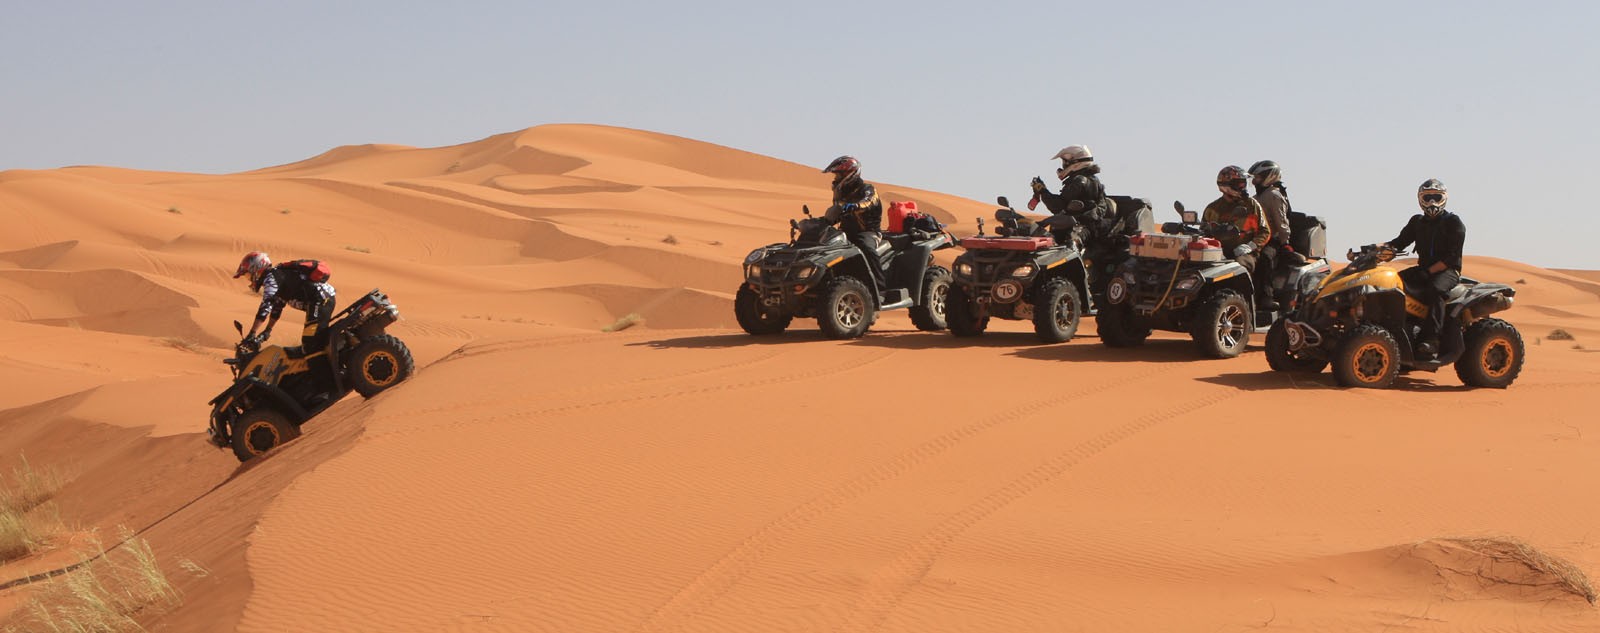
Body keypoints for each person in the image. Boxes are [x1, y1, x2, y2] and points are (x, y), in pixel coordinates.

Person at [234, 251, 338, 403]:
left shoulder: (271, 278)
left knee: (310, 343)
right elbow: (277, 308)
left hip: (320, 301)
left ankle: (327, 389)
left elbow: (266, 305)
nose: (249, 279)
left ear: (257, 269)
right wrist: (266, 332)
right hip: (320, 301)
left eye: (249, 275)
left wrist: (252, 333)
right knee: (313, 342)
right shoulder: (279, 276)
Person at [1383, 179, 1466, 358]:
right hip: (1423, 269)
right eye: (1427, 197)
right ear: (1420, 199)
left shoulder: (1453, 222)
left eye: (1436, 197)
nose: (1431, 202)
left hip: (1447, 271)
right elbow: (1399, 243)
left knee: (1435, 290)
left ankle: (1432, 339)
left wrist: (1428, 272)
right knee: (1393, 282)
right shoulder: (1417, 222)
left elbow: (1452, 257)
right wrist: (1374, 249)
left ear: (1444, 198)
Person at [1030, 145, 1117, 292]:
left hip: (1084, 227)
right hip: (1082, 224)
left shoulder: (1080, 181)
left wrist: (1043, 191)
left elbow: (1058, 206)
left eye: (1065, 163)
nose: (1063, 166)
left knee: (1071, 245)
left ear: (1075, 163)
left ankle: (1081, 279)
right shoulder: (1088, 179)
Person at [1203, 165, 1273, 299]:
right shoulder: (1212, 208)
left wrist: (1250, 246)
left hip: (1247, 253)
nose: (1243, 186)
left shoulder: (1251, 205)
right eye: (1239, 184)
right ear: (1225, 186)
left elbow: (1265, 231)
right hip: (1219, 252)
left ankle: (1244, 301)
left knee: (1238, 266)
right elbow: (1204, 232)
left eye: (1244, 183)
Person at [821, 155, 887, 292]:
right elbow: (838, 212)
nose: (836, 178)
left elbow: (869, 202)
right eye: (836, 175)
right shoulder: (841, 193)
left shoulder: (867, 189)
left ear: (850, 174)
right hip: (846, 233)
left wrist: (855, 206)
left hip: (868, 232)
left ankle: (880, 288)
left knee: (867, 248)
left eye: (839, 175)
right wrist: (823, 221)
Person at [1248, 160, 1297, 310]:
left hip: (1273, 239)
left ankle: (1267, 297)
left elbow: (1281, 221)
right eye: (1253, 178)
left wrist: (1285, 242)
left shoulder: (1274, 195)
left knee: (1264, 258)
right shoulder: (1256, 198)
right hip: (1257, 238)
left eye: (1257, 177)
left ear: (1269, 176)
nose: (1254, 181)